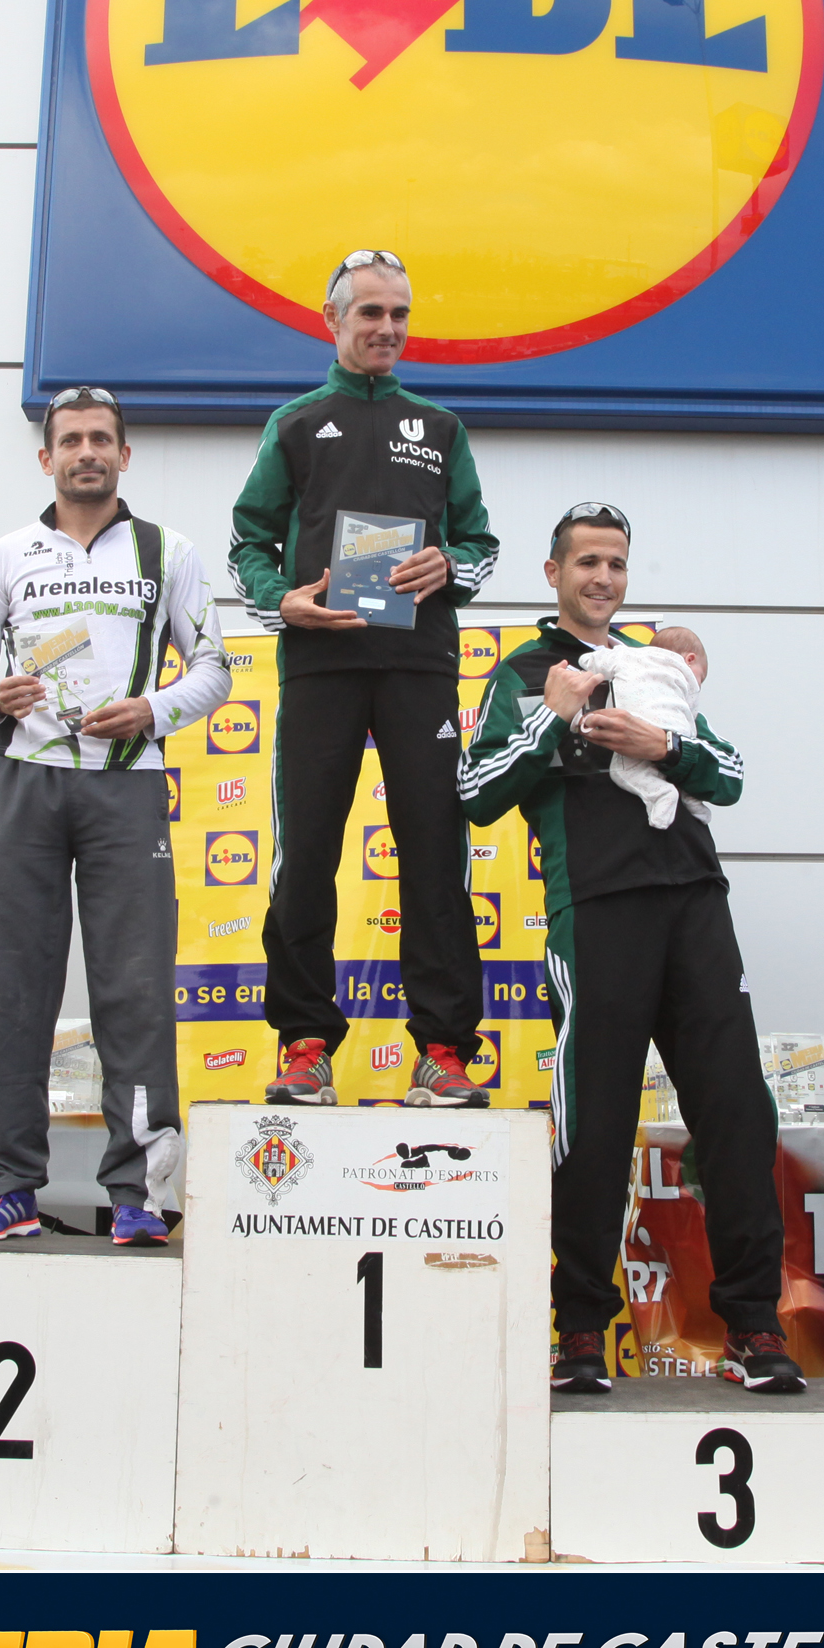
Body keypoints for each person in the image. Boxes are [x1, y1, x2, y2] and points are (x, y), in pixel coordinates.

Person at [459, 504, 797, 1392]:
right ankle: (579, 1331)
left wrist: (664, 745)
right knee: (595, 1124)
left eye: (614, 563)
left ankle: (754, 1326)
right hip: (596, 910)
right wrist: (551, 719)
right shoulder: (523, 671)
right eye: (586, 562)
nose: (602, 577)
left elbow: (729, 774)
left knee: (737, 1111)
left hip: (695, 905)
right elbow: (475, 790)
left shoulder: (655, 664)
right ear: (553, 573)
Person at [0, 385, 230, 1241]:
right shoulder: (4, 556)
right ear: (46, 457)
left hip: (125, 783)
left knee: (133, 990)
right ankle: (6, 1185)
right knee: (9, 988)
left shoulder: (167, 551)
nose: (87, 452)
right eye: (70, 440)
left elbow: (213, 668)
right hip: (23, 780)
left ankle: (138, 1194)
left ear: (123, 455)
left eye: (101, 438)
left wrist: (152, 710)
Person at [228, 251, 499, 1106]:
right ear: (333, 321)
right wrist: (282, 601)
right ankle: (304, 1043)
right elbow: (247, 541)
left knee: (435, 857)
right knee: (306, 856)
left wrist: (445, 564)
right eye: (370, 312)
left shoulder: (440, 427)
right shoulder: (296, 423)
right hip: (321, 667)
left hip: (420, 666)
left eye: (399, 313)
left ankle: (442, 1051)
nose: (387, 327)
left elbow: (481, 544)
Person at [577, 625, 710, 828]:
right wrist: (684, 740)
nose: (698, 684)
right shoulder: (687, 680)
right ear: (690, 659)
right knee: (679, 770)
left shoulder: (628, 655)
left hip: (633, 724)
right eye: (701, 677)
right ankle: (690, 799)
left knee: (624, 772)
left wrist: (585, 661)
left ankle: (660, 793)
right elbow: (691, 716)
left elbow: (596, 661)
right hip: (675, 732)